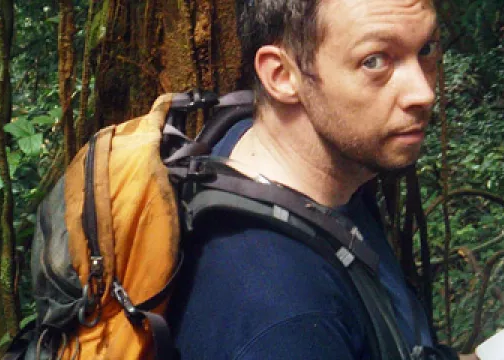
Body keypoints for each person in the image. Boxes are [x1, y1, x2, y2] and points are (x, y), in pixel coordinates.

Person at [166, 0, 474, 358]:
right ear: (282, 76)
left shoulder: (294, 163)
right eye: (374, 61)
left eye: (426, 49)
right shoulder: (283, 316)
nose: (423, 93)